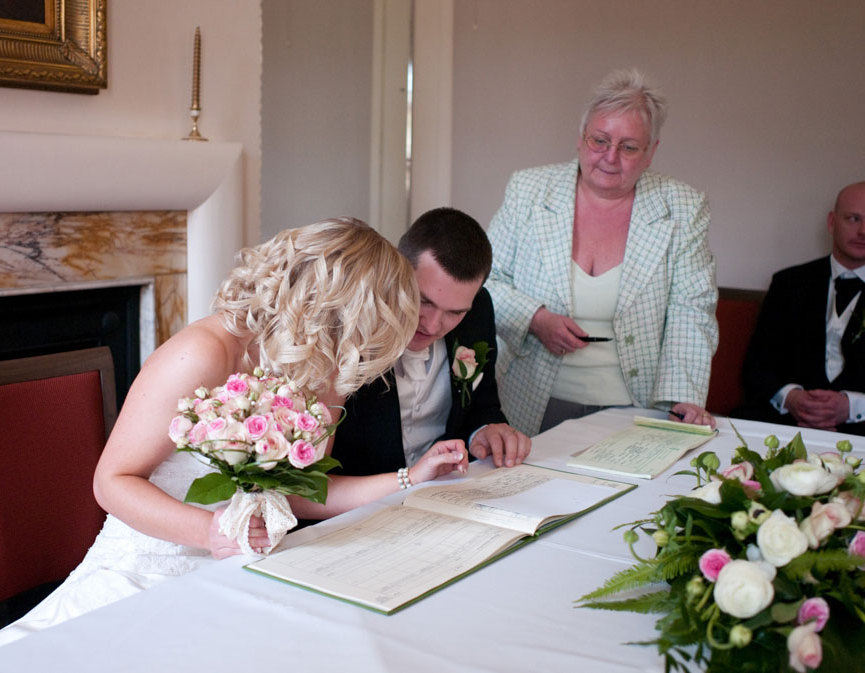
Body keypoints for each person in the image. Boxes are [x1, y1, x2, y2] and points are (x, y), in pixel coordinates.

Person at [0, 218, 469, 656]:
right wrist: (210, 533)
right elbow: (111, 483)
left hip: (249, 570)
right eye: (359, 332)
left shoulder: (324, 363)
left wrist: (410, 478)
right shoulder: (203, 354)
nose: (357, 355)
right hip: (152, 568)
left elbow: (298, 495)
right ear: (325, 311)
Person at [484, 68, 718, 436]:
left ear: (650, 152)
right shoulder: (529, 190)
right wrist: (535, 318)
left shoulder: (682, 207)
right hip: (528, 400)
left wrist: (683, 395)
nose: (611, 157)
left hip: (636, 407)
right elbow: (486, 281)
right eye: (600, 141)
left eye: (629, 147)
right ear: (580, 139)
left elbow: (692, 308)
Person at [330, 207, 532, 481]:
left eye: (455, 312)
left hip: (446, 493)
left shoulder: (479, 310)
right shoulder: (352, 322)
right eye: (424, 301)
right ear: (398, 268)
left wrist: (484, 429)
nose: (433, 325)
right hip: (355, 505)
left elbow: (482, 401)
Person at [737, 181, 865, 435]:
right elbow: (757, 366)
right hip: (784, 425)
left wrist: (852, 406)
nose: (863, 231)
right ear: (831, 222)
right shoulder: (788, 283)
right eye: (853, 218)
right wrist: (791, 398)